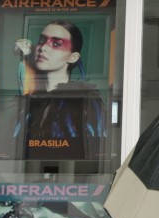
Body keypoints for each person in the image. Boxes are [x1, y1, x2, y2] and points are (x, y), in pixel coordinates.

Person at [13, 19, 106, 159]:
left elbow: (96, 150)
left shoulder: (87, 100)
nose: (42, 47)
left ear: (73, 57)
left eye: (56, 44)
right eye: (41, 40)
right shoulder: (29, 102)